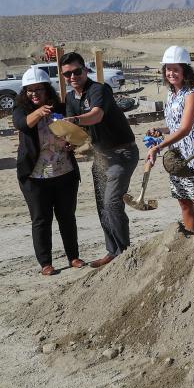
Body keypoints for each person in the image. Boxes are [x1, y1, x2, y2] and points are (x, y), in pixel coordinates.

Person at [62, 52, 139, 268]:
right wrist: (71, 142)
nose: (73, 77)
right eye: (67, 74)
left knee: (112, 203)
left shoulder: (99, 90)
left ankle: (124, 252)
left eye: (77, 71)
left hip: (122, 153)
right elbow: (74, 130)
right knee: (102, 206)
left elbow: (96, 115)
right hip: (101, 155)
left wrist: (75, 119)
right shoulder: (70, 98)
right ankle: (112, 251)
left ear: (85, 71)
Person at [13, 67, 83, 276]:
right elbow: (23, 125)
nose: (34, 94)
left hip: (65, 173)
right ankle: (46, 263)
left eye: (39, 90)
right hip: (36, 177)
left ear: (47, 90)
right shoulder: (21, 109)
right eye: (30, 90)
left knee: (67, 217)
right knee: (41, 220)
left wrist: (73, 144)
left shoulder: (60, 107)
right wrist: (38, 112)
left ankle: (73, 256)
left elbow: (76, 132)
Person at [146, 46, 194, 238]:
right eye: (168, 69)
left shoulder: (191, 94)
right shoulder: (171, 94)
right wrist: (161, 130)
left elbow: (185, 128)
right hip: (176, 153)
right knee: (183, 199)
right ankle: (190, 239)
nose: (171, 73)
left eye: (176, 69)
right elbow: (175, 125)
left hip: (193, 153)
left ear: (185, 70)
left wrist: (159, 146)